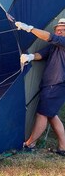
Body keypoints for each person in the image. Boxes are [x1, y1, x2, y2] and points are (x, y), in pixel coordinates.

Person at [16, 18, 65, 156]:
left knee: (42, 114)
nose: (59, 32)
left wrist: (29, 28)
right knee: (51, 115)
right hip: (51, 84)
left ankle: (30, 143)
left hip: (56, 83)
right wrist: (31, 56)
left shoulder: (62, 42)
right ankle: (63, 147)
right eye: (58, 30)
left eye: (63, 30)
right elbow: (42, 54)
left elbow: (49, 37)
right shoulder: (56, 46)